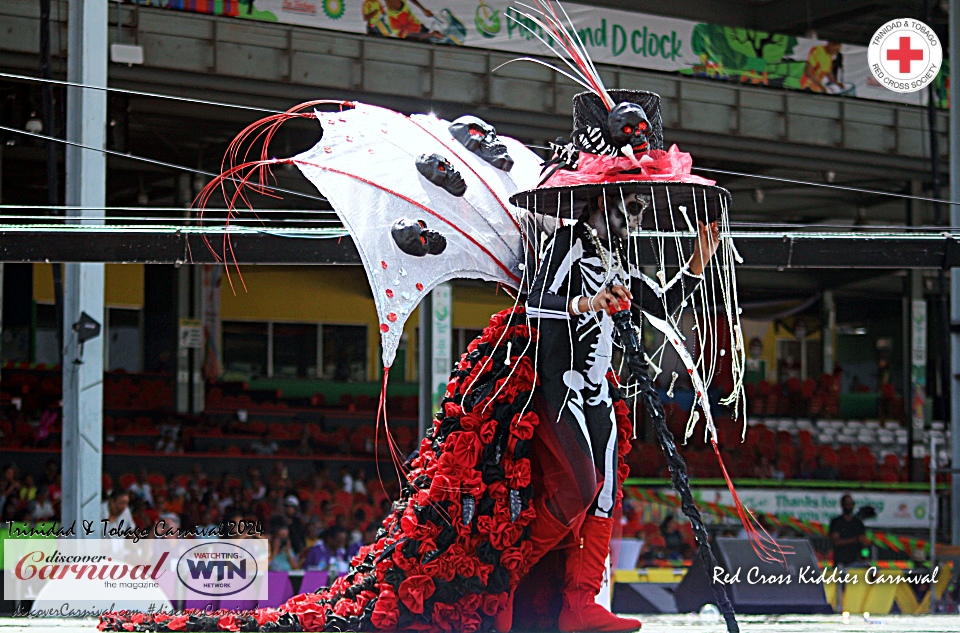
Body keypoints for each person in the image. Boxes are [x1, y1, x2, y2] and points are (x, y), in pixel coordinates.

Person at [519, 193, 718, 632]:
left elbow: (661, 307)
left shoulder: (618, 257)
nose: (636, 216)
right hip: (562, 382)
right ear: (597, 201)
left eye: (643, 209)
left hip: (598, 388)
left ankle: (579, 602)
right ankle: (509, 573)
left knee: (608, 494)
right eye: (628, 204)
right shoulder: (568, 242)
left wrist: (698, 262)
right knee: (582, 487)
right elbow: (533, 302)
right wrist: (589, 304)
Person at [829, 494, 867, 567]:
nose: (849, 506)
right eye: (847, 504)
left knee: (873, 570)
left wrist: (864, 555)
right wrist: (854, 540)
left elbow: (863, 543)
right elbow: (836, 542)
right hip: (841, 561)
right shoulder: (836, 522)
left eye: (851, 504)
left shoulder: (858, 523)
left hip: (856, 560)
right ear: (842, 505)